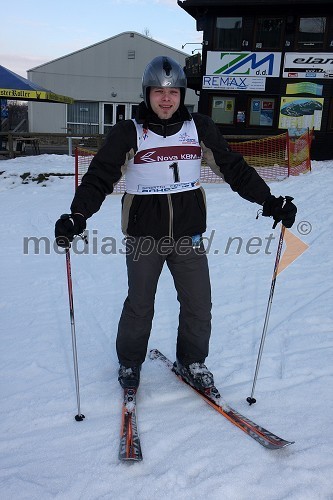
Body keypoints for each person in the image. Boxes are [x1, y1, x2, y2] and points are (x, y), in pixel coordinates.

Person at [55, 56, 297, 392]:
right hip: (143, 237)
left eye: (172, 92)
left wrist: (268, 201)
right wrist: (78, 214)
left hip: (188, 235)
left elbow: (234, 168)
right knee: (140, 305)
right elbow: (99, 177)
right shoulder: (130, 131)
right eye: (158, 91)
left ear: (182, 94)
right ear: (147, 94)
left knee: (199, 303)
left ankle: (192, 360)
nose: (166, 98)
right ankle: (129, 363)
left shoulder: (199, 128)